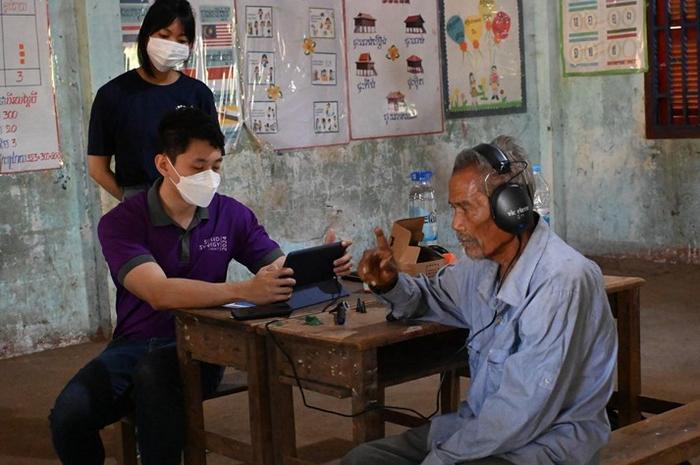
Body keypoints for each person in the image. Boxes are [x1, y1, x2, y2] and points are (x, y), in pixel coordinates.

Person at [50, 107, 352, 465]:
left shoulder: (231, 214)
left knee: (153, 381)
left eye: (216, 165)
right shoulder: (121, 223)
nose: (209, 176)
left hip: (204, 346)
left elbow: (275, 270)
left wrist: (321, 263)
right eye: (198, 167)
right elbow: (159, 293)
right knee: (68, 416)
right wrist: (243, 291)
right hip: (132, 345)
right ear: (164, 165)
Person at [346, 136, 617, 465]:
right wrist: (389, 285)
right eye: (453, 209)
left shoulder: (562, 281)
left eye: (466, 208)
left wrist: (441, 460)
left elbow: (520, 412)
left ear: (510, 209)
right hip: (479, 430)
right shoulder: (479, 267)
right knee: (364, 460)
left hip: (544, 446)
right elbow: (430, 297)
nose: (456, 224)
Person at [87, 0, 218, 201]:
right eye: (164, 36)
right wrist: (132, 201)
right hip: (139, 198)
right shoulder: (113, 95)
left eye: (181, 41)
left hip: (190, 198)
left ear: (190, 46)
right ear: (146, 36)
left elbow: (214, 157)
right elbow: (97, 168)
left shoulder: (199, 94)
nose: (172, 46)